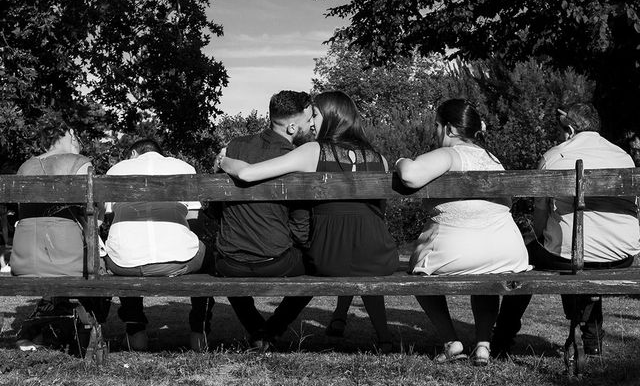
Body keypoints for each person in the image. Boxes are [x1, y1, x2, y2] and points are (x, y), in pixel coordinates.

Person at [219, 90, 399, 352]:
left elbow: (246, 173)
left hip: (327, 257)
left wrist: (223, 159)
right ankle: (377, 334)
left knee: (324, 256)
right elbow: (378, 211)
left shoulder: (313, 151)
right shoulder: (379, 158)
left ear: (331, 118)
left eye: (315, 115)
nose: (312, 122)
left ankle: (264, 331)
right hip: (378, 254)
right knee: (349, 255)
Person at [492, 103, 640, 357]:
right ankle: (592, 339)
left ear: (570, 130)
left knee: (528, 257)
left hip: (570, 255)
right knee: (582, 253)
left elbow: (540, 216)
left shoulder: (554, 157)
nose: (557, 136)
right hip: (622, 256)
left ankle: (502, 338)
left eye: (559, 131)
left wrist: (536, 237)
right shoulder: (623, 157)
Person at [395, 98, 530, 366]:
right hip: (509, 253)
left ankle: (451, 341)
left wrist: (400, 160)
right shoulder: (494, 159)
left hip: (456, 252)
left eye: (436, 126)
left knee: (419, 272)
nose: (435, 132)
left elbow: (410, 175)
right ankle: (483, 344)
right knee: (486, 273)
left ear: (449, 129)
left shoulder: (449, 154)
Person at [213, 90, 315, 352]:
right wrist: (299, 245)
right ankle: (269, 330)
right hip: (275, 259)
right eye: (308, 120)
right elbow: (300, 224)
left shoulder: (235, 147)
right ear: (292, 126)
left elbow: (216, 206)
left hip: (229, 259)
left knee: (230, 267)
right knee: (316, 271)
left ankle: (258, 330)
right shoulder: (295, 158)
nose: (311, 125)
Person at [104, 139, 214, 352]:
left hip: (123, 265)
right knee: (208, 258)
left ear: (134, 153)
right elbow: (194, 220)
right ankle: (199, 333)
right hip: (176, 262)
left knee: (126, 248)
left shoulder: (116, 170)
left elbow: (111, 215)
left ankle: (135, 333)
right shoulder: (183, 168)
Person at [12, 120, 111, 351]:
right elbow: (97, 215)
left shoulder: (25, 167)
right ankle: (84, 328)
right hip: (66, 259)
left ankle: (40, 326)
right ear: (70, 134)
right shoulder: (80, 163)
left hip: (24, 259)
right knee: (102, 265)